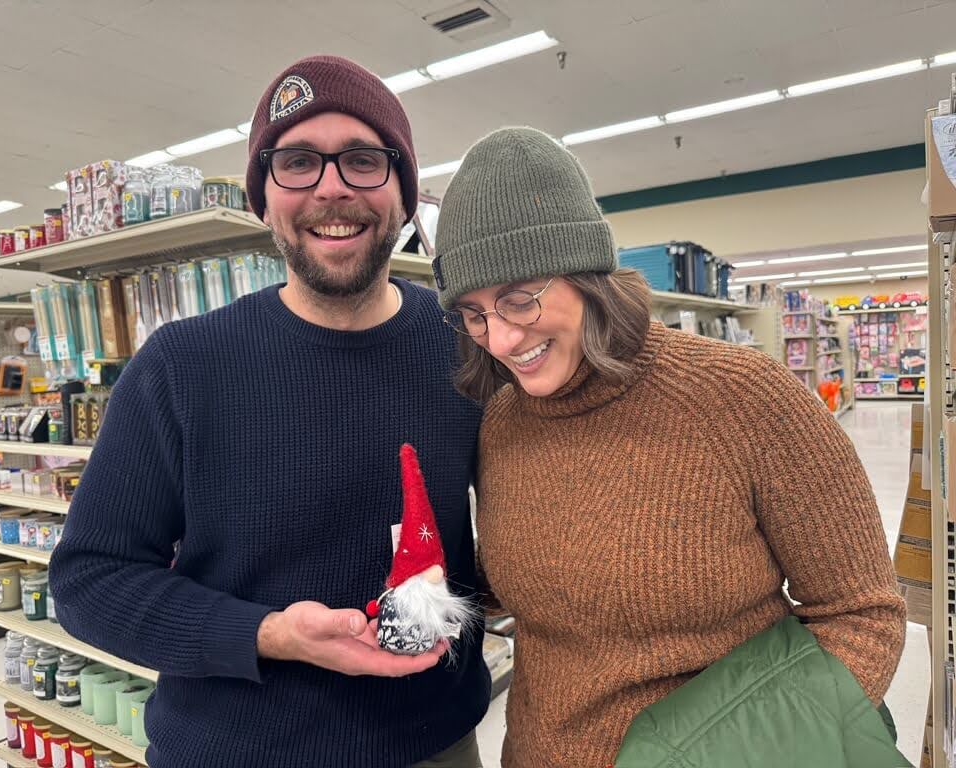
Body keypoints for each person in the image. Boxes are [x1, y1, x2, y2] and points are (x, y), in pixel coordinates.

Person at [51, 55, 490, 768]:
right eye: (297, 163)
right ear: (263, 199)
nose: (331, 188)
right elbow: (88, 582)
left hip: (433, 744)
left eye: (363, 160)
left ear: (405, 194)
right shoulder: (180, 367)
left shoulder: (466, 348)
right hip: (231, 749)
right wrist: (267, 634)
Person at [431, 126, 907, 767]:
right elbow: (556, 575)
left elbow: (862, 613)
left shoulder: (744, 397)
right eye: (473, 314)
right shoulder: (502, 421)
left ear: (587, 275)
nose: (500, 339)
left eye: (520, 300)